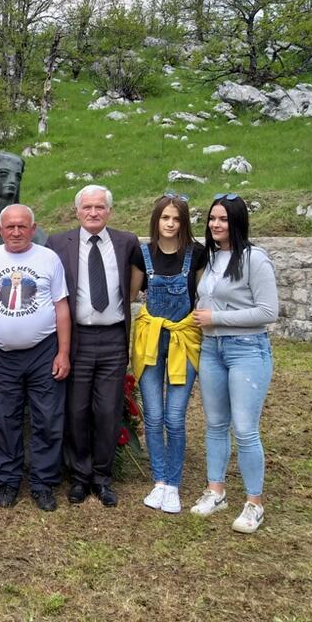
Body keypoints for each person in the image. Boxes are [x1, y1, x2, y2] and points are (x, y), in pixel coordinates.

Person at [46, 185, 143, 507]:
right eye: (87, 207)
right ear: (77, 211)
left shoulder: (127, 242)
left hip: (114, 337)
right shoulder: (59, 243)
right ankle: (80, 476)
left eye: (99, 207)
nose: (93, 212)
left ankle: (102, 478)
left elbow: (137, 283)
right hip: (78, 338)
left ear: (109, 211)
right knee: (76, 410)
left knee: (107, 411)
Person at [190, 193, 278, 534]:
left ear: (237, 222)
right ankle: (216, 491)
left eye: (223, 219)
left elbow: (268, 311)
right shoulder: (211, 258)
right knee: (214, 424)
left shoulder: (255, 259)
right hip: (211, 349)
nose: (215, 224)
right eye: (212, 218)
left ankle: (254, 503)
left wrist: (218, 317)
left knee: (244, 428)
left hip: (247, 350)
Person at [0, 204, 71, 511]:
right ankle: (8, 480)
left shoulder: (48, 259)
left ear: (33, 229)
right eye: (10, 227)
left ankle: (43, 483)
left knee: (47, 419)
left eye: (22, 226)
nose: (16, 232)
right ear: (0, 230)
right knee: (6, 419)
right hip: (3, 356)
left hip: (44, 352)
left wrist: (63, 352)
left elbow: (61, 307)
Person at [130, 193, 204, 514]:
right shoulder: (142, 253)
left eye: (176, 218)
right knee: (154, 415)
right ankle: (158, 481)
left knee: (174, 417)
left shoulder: (197, 254)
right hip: (150, 341)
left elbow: (203, 298)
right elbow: (132, 294)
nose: (171, 224)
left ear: (184, 221)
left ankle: (173, 484)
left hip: (182, 342)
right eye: (165, 218)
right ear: (156, 220)